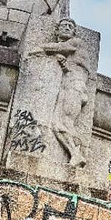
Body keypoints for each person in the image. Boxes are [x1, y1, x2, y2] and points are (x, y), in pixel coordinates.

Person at [27, 18, 91, 167]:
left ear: (74, 32)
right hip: (69, 86)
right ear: (56, 30)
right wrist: (64, 66)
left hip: (75, 88)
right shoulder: (72, 58)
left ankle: (78, 154)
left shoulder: (77, 43)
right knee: (58, 124)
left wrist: (40, 48)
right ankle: (76, 153)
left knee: (64, 122)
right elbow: (72, 68)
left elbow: (59, 48)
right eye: (63, 26)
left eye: (70, 26)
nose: (67, 28)